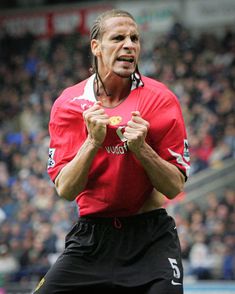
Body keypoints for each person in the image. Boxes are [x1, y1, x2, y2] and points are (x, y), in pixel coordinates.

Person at [34, 9, 190, 294]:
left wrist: (142, 149)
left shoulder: (161, 100)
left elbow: (173, 186)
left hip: (150, 239)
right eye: (118, 38)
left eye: (134, 38)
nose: (129, 45)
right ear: (96, 46)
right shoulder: (68, 104)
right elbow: (66, 190)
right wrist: (92, 142)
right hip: (91, 240)